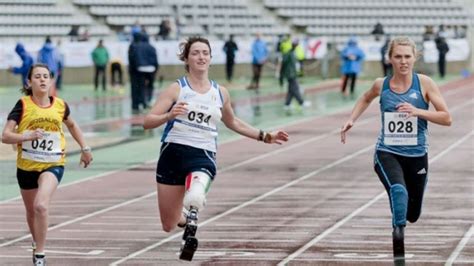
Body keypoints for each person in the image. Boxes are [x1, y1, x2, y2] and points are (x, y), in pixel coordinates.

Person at [143, 36, 289, 261]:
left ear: (211, 58)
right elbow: (147, 121)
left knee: (196, 193)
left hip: (202, 153)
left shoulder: (220, 93)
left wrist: (265, 136)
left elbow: (234, 123)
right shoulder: (176, 89)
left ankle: (193, 207)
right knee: (168, 224)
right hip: (172, 153)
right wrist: (168, 115)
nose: (201, 57)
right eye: (195, 53)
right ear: (187, 59)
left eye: (205, 53)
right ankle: (186, 217)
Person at [340, 37, 452, 262]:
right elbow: (365, 98)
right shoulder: (381, 85)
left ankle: (402, 217)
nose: (403, 61)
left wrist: (418, 111)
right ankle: (398, 242)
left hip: (417, 156)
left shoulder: (425, 84)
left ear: (414, 58)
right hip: (387, 152)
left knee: (413, 214)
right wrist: (352, 119)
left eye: (407, 56)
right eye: (398, 56)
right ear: (390, 58)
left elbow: (446, 118)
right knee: (399, 191)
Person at [1, 64, 93, 266]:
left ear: (51, 81)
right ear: (29, 82)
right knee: (31, 212)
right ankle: (36, 243)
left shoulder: (60, 105)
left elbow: (72, 125)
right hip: (26, 166)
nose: (42, 80)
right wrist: (26, 135)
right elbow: (5, 136)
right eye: (37, 77)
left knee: (41, 206)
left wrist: (85, 148)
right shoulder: (23, 105)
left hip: (53, 163)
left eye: (46, 76)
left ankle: (40, 257)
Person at [281, 40, 310, 112]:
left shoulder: (292, 53)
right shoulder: (288, 54)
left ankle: (287, 104)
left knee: (291, 90)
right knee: (295, 89)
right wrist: (282, 75)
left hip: (292, 74)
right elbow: (284, 65)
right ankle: (301, 102)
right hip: (290, 74)